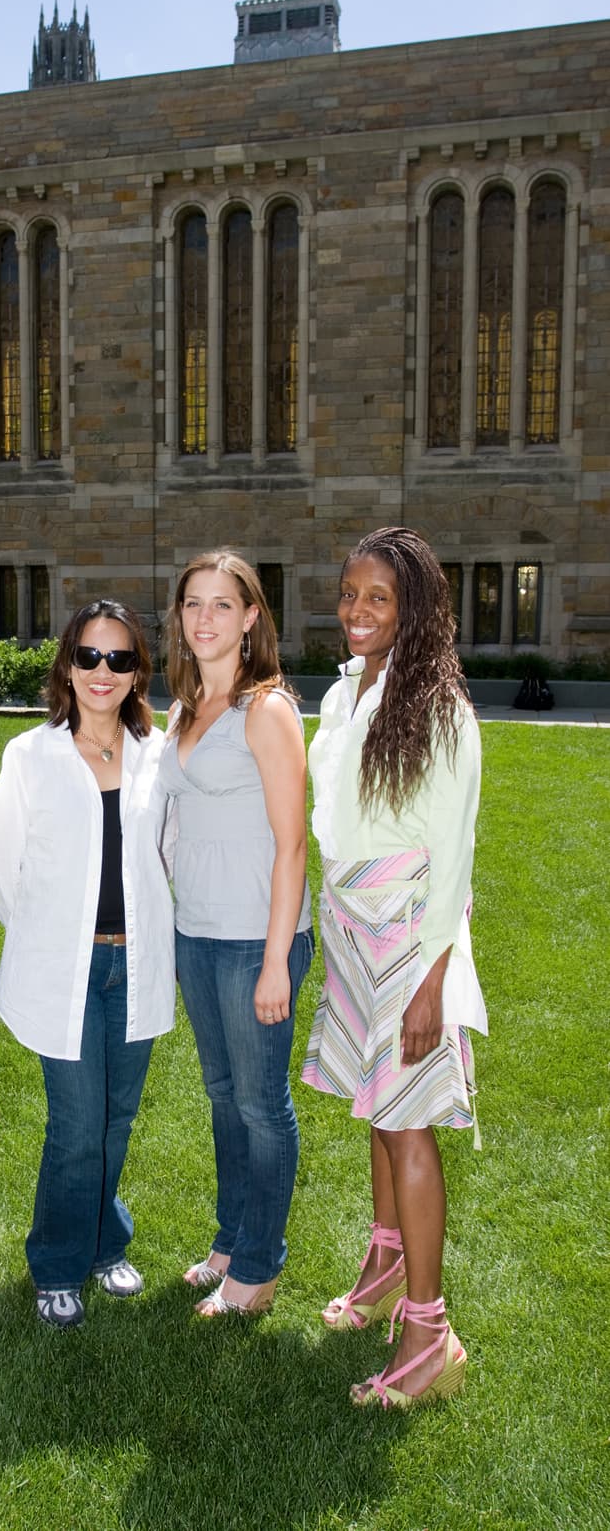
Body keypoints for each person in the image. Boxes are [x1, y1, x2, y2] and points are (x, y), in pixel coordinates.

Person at [302, 526, 485, 1409]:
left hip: (408, 933)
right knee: (376, 1108)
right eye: (348, 593)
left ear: (413, 608)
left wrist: (429, 980)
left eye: (378, 597)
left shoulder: (440, 706)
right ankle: (383, 1263)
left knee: (406, 1121)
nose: (357, 611)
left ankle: (427, 1331)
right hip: (350, 920)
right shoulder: (349, 692)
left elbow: (453, 856)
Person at [0, 600, 174, 1329]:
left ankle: (103, 1243)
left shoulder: (158, 754)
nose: (102, 671)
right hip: (66, 971)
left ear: (135, 674)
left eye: (119, 659)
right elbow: (4, 870)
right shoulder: (33, 756)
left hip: (138, 965)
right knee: (76, 1124)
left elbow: (169, 853)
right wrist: (49, 939)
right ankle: (57, 1263)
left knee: (116, 1117)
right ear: (67, 664)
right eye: (89, 656)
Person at [158, 550, 313, 1318]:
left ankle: (256, 1267)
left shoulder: (267, 709)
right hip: (199, 932)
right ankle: (229, 1237)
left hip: (259, 938)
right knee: (222, 1097)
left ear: (251, 616)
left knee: (259, 1104)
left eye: (223, 604)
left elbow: (292, 842)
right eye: (193, 603)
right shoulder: (186, 709)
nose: (205, 618)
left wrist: (278, 960)